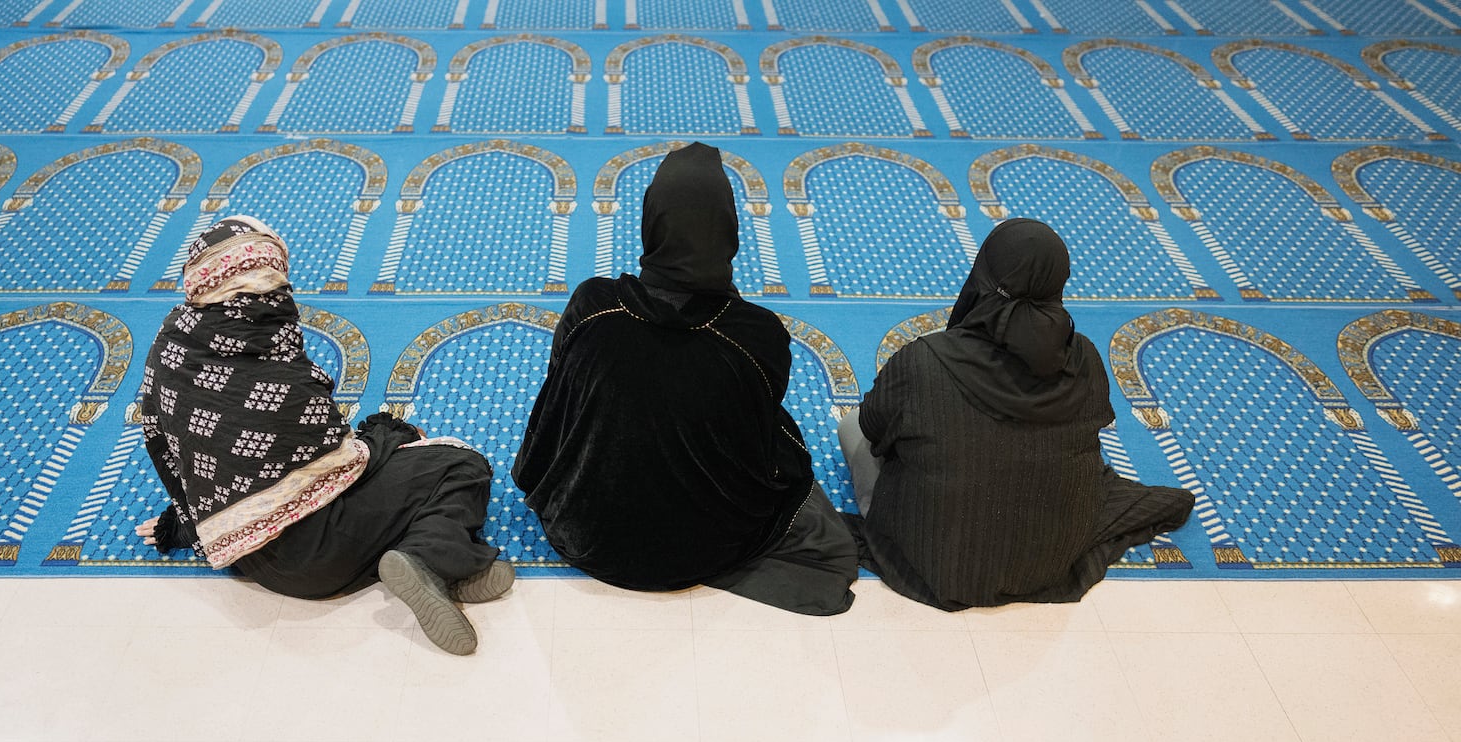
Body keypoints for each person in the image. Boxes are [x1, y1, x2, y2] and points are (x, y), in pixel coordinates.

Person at [136, 215, 512, 654]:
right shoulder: (277, 361)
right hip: (326, 551)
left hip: (258, 563)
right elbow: (345, 462)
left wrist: (184, 525)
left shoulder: (172, 345)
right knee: (457, 462)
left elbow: (180, 448)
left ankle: (439, 563)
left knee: (388, 457)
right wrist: (394, 433)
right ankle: (436, 560)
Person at [512, 142, 857, 615]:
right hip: (710, 551)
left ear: (651, 221)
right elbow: (755, 428)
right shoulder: (755, 334)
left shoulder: (594, 306)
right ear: (729, 230)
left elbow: (556, 405)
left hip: (585, 537)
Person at [841, 217, 1194, 611]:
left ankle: (892, 518)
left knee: (851, 426)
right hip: (1045, 562)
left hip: (936, 558)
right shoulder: (1085, 358)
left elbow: (872, 427)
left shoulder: (923, 360)